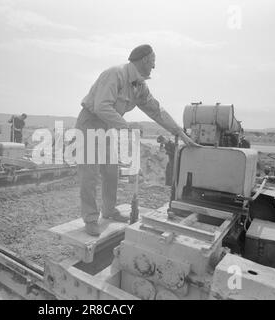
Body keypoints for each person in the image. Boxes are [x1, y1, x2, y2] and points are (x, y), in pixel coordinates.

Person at [76, 44, 200, 236]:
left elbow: (157, 111)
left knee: (111, 171)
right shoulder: (115, 74)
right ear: (144, 60)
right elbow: (101, 106)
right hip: (90, 123)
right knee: (90, 173)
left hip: (109, 126)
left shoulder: (140, 86)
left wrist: (180, 133)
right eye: (153, 62)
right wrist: (125, 128)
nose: (154, 67)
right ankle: (91, 218)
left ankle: (108, 210)